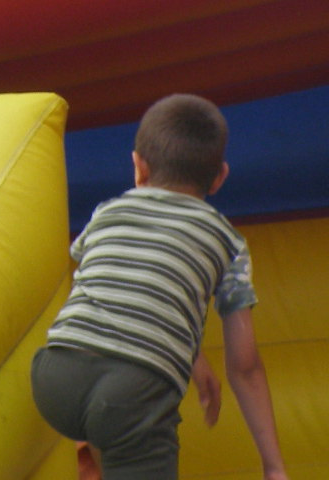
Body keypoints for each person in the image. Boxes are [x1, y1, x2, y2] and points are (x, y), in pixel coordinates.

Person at [30, 94, 288, 480]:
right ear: (220, 177)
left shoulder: (108, 212)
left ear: (139, 167)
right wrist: (274, 466)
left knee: (110, 429)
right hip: (131, 395)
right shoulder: (227, 242)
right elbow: (245, 365)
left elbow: (124, 294)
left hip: (54, 376)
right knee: (120, 423)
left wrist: (195, 364)